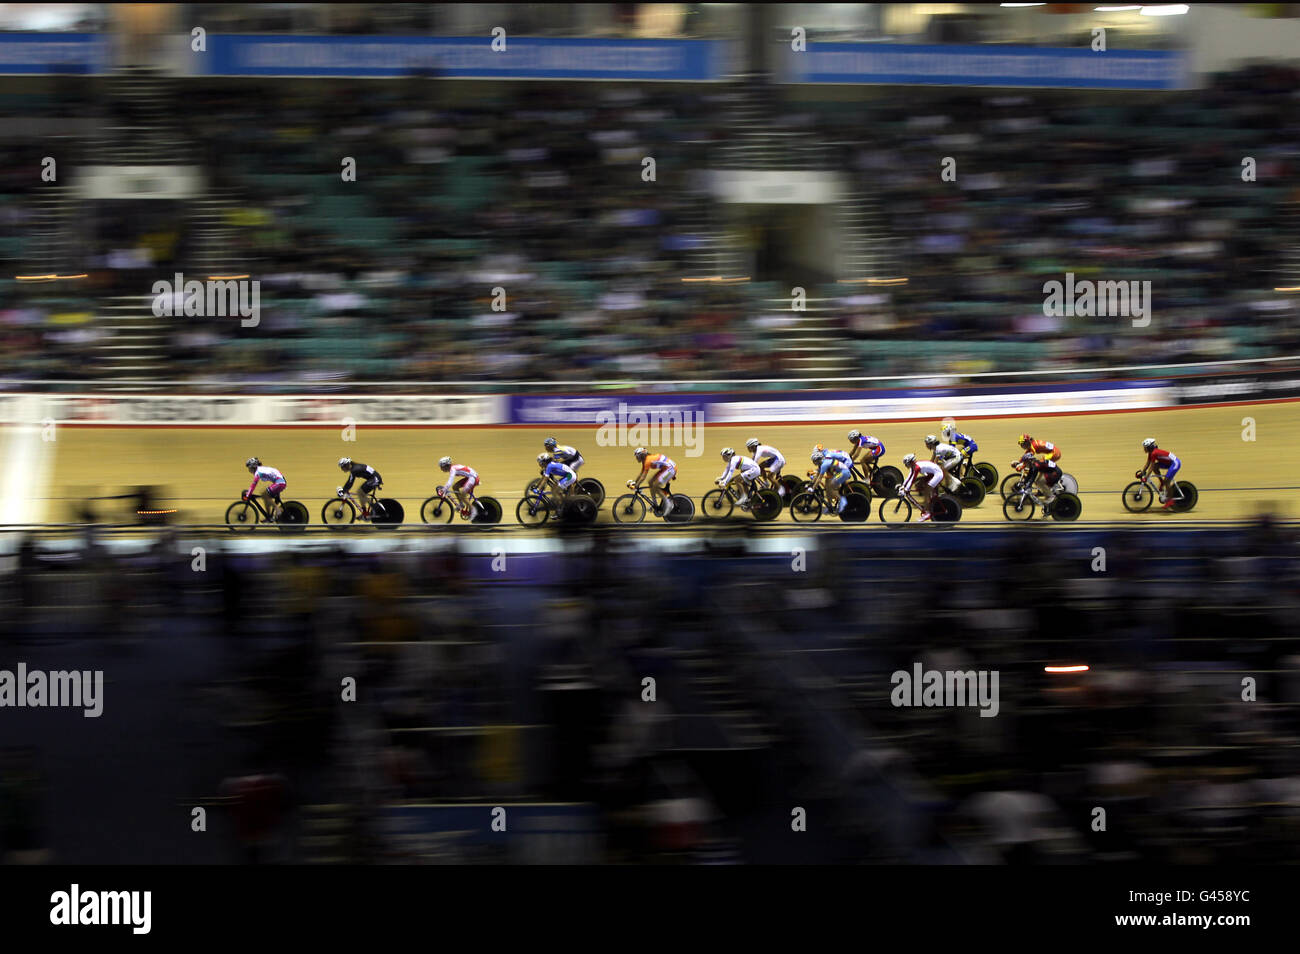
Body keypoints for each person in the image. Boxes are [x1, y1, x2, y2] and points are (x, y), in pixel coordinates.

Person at [629, 446, 677, 518]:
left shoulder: (648, 460)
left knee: (655, 486)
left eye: (637, 456)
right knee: (650, 482)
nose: (636, 458)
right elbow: (641, 473)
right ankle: (655, 505)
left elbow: (643, 477)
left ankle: (668, 504)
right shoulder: (645, 461)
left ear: (641, 455)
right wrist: (635, 482)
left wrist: (637, 485)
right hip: (666, 468)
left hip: (671, 469)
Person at [1137, 438, 1182, 510]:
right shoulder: (1151, 453)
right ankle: (1162, 482)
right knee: (1155, 467)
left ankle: (1170, 500)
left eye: (1145, 447)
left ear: (1149, 447)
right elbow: (1148, 464)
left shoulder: (1154, 453)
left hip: (1175, 463)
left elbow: (1150, 467)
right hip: (1169, 463)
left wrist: (1146, 477)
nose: (1144, 449)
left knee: (1167, 481)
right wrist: (1142, 472)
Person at [899, 452, 944, 522]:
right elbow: (909, 477)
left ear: (911, 462)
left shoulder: (917, 467)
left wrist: (906, 489)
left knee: (926, 492)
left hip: (938, 474)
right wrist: (903, 486)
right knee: (920, 485)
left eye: (906, 464)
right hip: (932, 474)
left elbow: (912, 479)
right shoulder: (913, 466)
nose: (905, 466)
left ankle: (927, 513)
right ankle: (931, 502)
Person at [811, 448, 853, 515]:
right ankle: (830, 506)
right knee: (827, 488)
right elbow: (817, 476)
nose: (814, 463)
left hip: (844, 472)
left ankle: (843, 501)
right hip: (840, 472)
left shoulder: (825, 464)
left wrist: (813, 488)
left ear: (818, 460)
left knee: (831, 486)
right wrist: (812, 484)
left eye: (814, 461)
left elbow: (819, 479)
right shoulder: (822, 464)